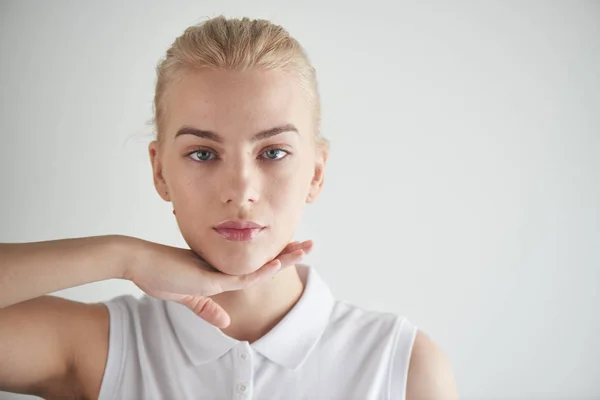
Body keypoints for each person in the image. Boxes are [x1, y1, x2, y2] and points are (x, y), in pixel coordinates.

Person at [0, 16, 458, 399]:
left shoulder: (402, 368)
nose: (240, 191)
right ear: (160, 173)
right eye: (202, 153)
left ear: (316, 173)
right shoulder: (106, 347)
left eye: (273, 152)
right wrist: (124, 257)